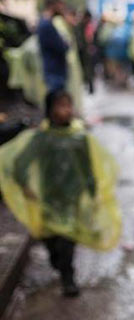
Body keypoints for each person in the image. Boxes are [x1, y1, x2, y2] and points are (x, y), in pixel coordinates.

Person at [0, 90, 121, 297]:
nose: (65, 110)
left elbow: (88, 169)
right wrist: (26, 187)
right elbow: (21, 164)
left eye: (68, 105)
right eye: (60, 106)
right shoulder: (41, 138)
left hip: (71, 200)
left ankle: (68, 278)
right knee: (51, 238)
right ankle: (56, 260)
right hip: (48, 198)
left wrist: (92, 195)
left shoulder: (80, 138)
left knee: (67, 240)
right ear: (50, 110)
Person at [37, 0, 69, 91]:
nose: (62, 8)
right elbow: (61, 47)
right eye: (60, 5)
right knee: (56, 98)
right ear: (53, 6)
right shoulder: (46, 25)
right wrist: (66, 44)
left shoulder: (46, 23)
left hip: (54, 69)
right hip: (54, 70)